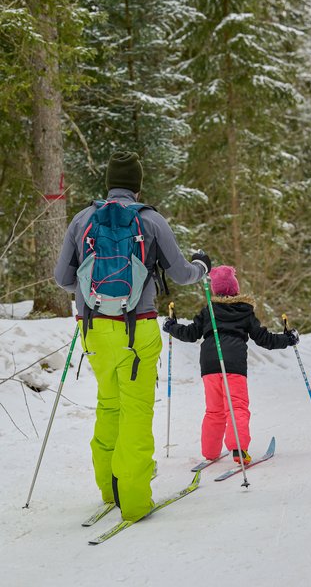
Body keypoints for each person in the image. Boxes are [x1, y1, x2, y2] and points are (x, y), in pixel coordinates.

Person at [54, 151, 211, 522]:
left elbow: (63, 278)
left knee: (109, 405)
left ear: (109, 183)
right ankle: (135, 501)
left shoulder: (82, 219)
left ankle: (109, 490)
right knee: (136, 411)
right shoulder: (151, 220)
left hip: (93, 329)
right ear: (137, 186)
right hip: (137, 328)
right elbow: (181, 273)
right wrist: (202, 266)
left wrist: (91, 294)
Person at [162, 265, 299, 465]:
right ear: (235, 288)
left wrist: (172, 327)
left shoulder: (209, 310)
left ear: (215, 289)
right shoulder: (244, 311)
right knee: (237, 407)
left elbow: (191, 334)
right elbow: (264, 339)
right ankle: (238, 449)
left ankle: (210, 452)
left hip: (209, 364)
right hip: (234, 364)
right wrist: (288, 339)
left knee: (214, 410)